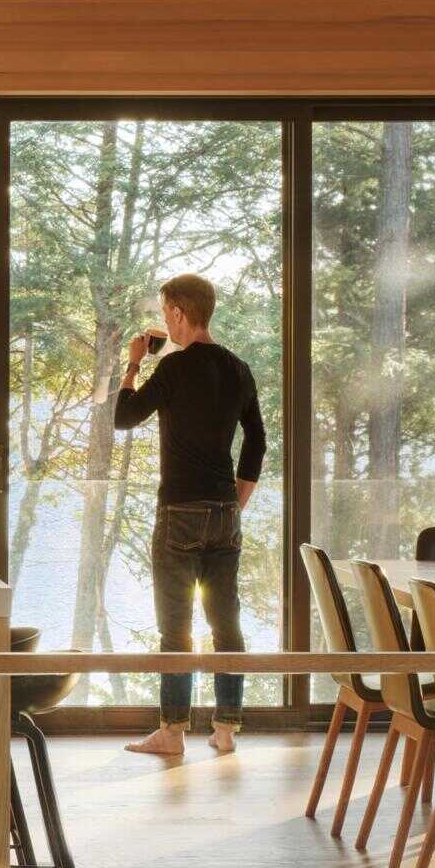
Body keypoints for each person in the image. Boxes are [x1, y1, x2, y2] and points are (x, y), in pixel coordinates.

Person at [111, 273, 266, 760]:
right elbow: (257, 441)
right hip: (223, 511)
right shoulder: (238, 368)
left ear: (179, 312)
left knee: (175, 626)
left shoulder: (174, 370)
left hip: (179, 510)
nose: (164, 322)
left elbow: (124, 416)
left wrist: (134, 364)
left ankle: (173, 733)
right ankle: (225, 730)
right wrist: (236, 502)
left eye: (165, 313)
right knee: (227, 624)